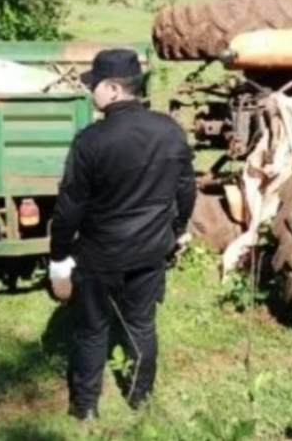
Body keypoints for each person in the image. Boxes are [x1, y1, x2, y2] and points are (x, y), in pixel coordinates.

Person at [48, 48, 196, 421]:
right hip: (150, 253)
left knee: (92, 331)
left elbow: (69, 208)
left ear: (113, 89)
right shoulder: (170, 131)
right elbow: (186, 191)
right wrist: (176, 232)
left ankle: (85, 408)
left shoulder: (90, 141)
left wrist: (58, 256)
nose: (90, 92)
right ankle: (139, 397)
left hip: (100, 257)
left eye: (94, 85)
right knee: (142, 325)